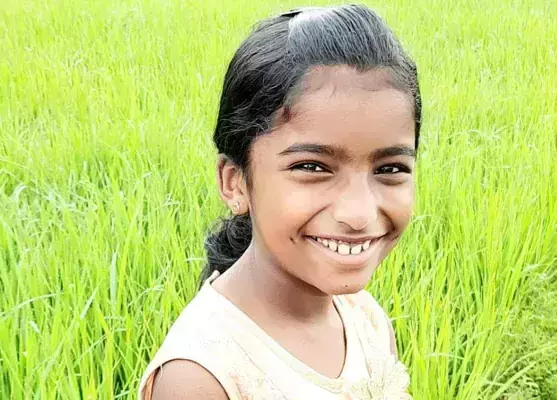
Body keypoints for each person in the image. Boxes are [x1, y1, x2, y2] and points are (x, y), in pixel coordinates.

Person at [139, 4, 422, 399]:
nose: (358, 213)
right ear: (235, 182)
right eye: (312, 167)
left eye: (389, 169)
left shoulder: (364, 317)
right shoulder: (200, 377)